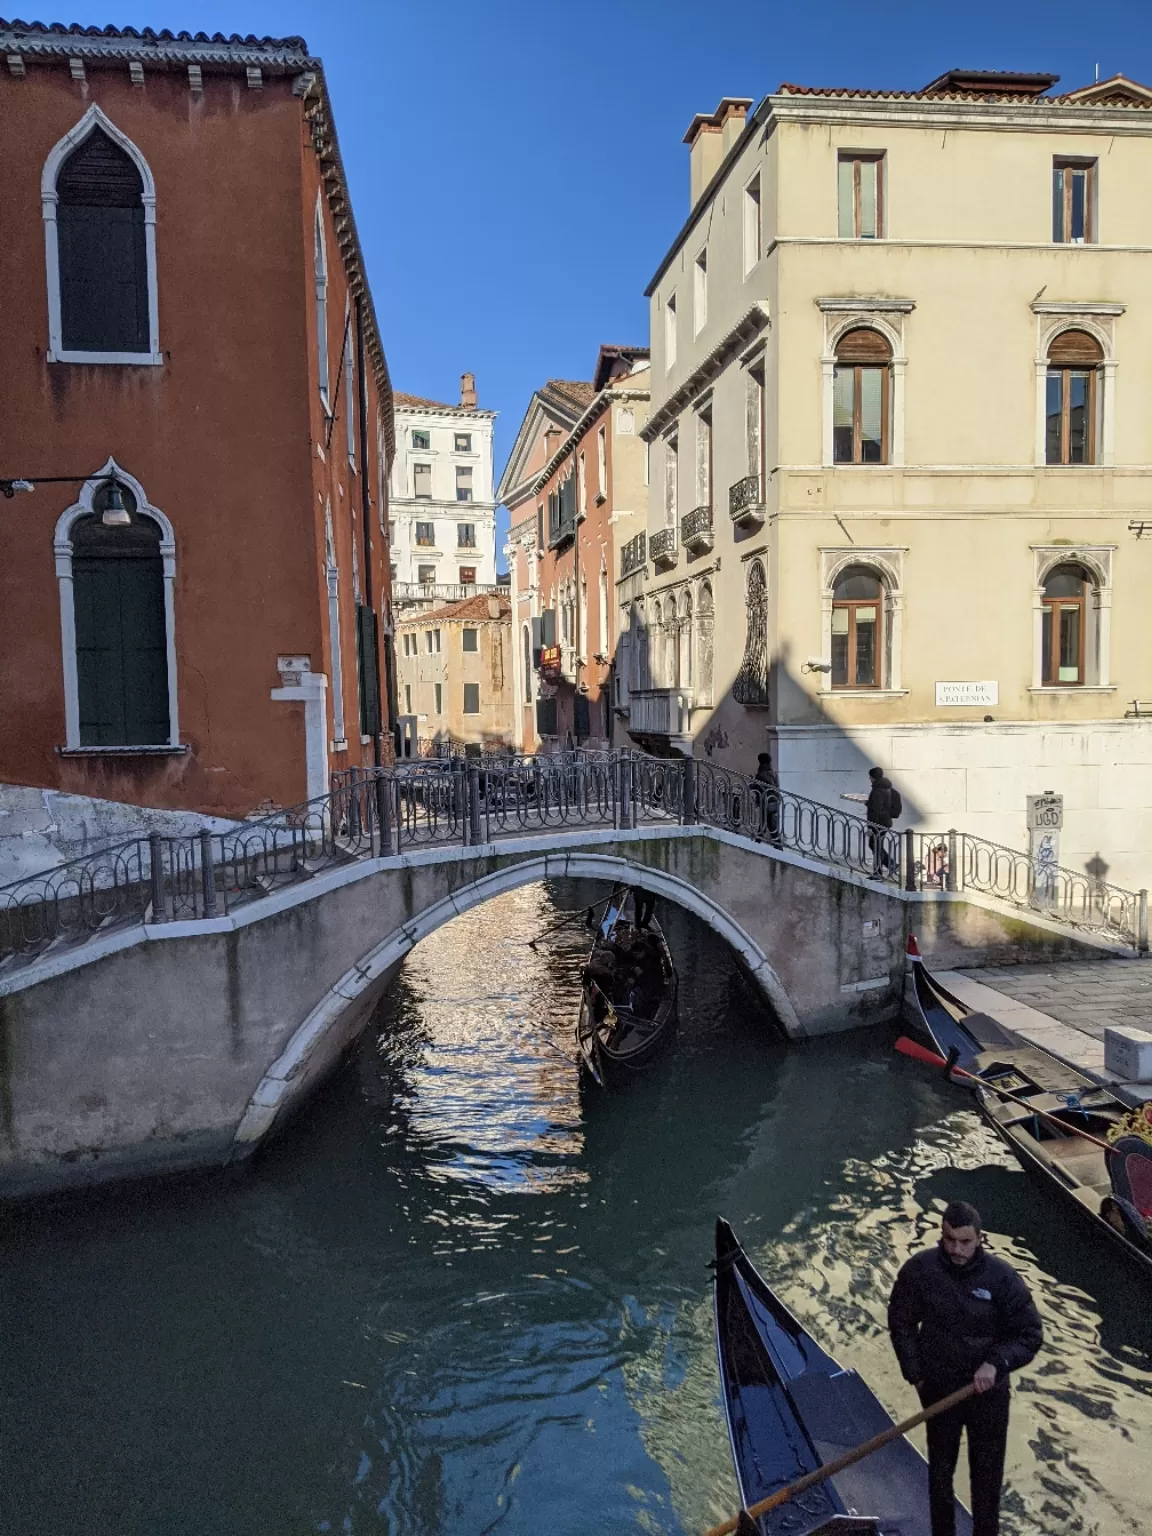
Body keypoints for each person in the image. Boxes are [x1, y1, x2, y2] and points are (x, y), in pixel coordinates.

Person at [888, 1201, 1042, 1536]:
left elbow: (1029, 1335)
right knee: (940, 1475)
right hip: (938, 1389)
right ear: (942, 1235)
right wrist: (915, 1375)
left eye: (965, 1242)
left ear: (979, 1238)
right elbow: (901, 1323)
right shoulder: (920, 1271)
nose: (956, 1249)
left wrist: (996, 1363)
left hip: (987, 1394)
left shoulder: (1002, 1279)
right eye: (949, 1240)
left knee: (986, 1480)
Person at [751, 751, 782, 846]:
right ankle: (777, 844)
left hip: (766, 801)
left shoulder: (761, 774)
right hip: (774, 801)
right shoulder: (773, 772)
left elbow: (759, 787)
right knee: (769, 823)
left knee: (764, 823)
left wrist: (752, 784)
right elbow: (776, 786)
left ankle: (759, 842)